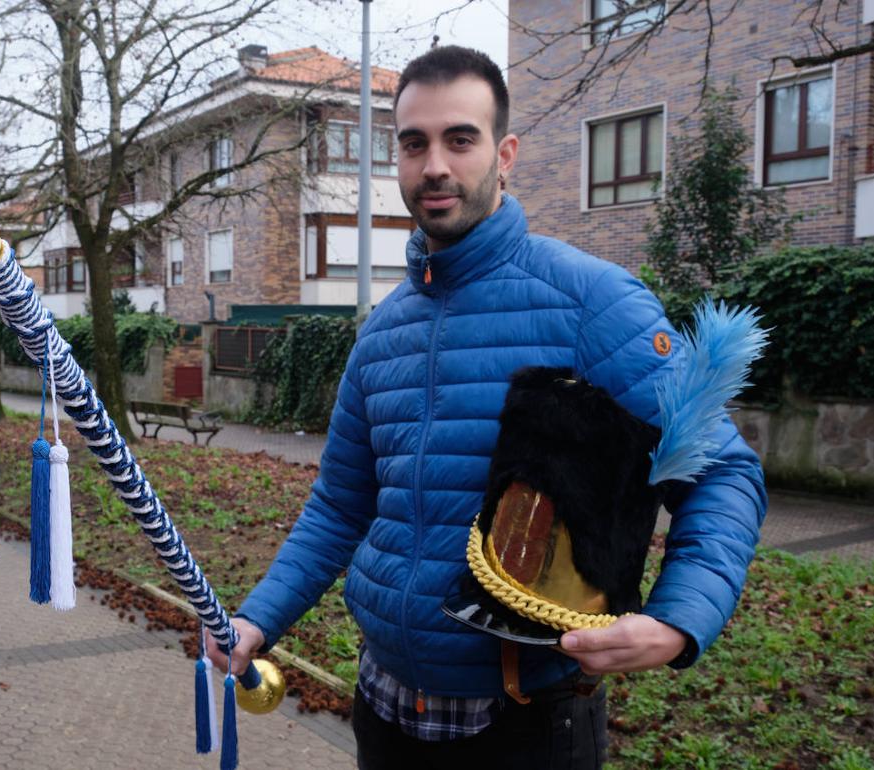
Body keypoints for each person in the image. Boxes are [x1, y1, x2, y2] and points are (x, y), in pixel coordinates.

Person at [207, 46, 765, 768]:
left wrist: (679, 618)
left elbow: (721, 472)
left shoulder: (594, 304)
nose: (434, 164)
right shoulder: (382, 333)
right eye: (414, 143)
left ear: (505, 154)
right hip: (383, 705)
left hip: (525, 725)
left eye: (459, 139)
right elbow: (340, 506)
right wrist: (257, 618)